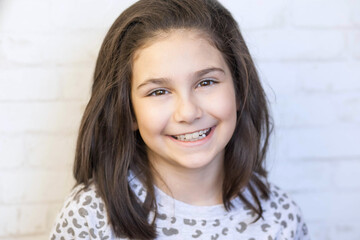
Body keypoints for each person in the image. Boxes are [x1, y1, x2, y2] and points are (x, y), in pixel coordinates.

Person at [50, 0, 310, 239]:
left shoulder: (281, 217)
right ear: (128, 111)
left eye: (206, 82)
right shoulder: (91, 215)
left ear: (239, 90)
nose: (188, 112)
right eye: (159, 91)